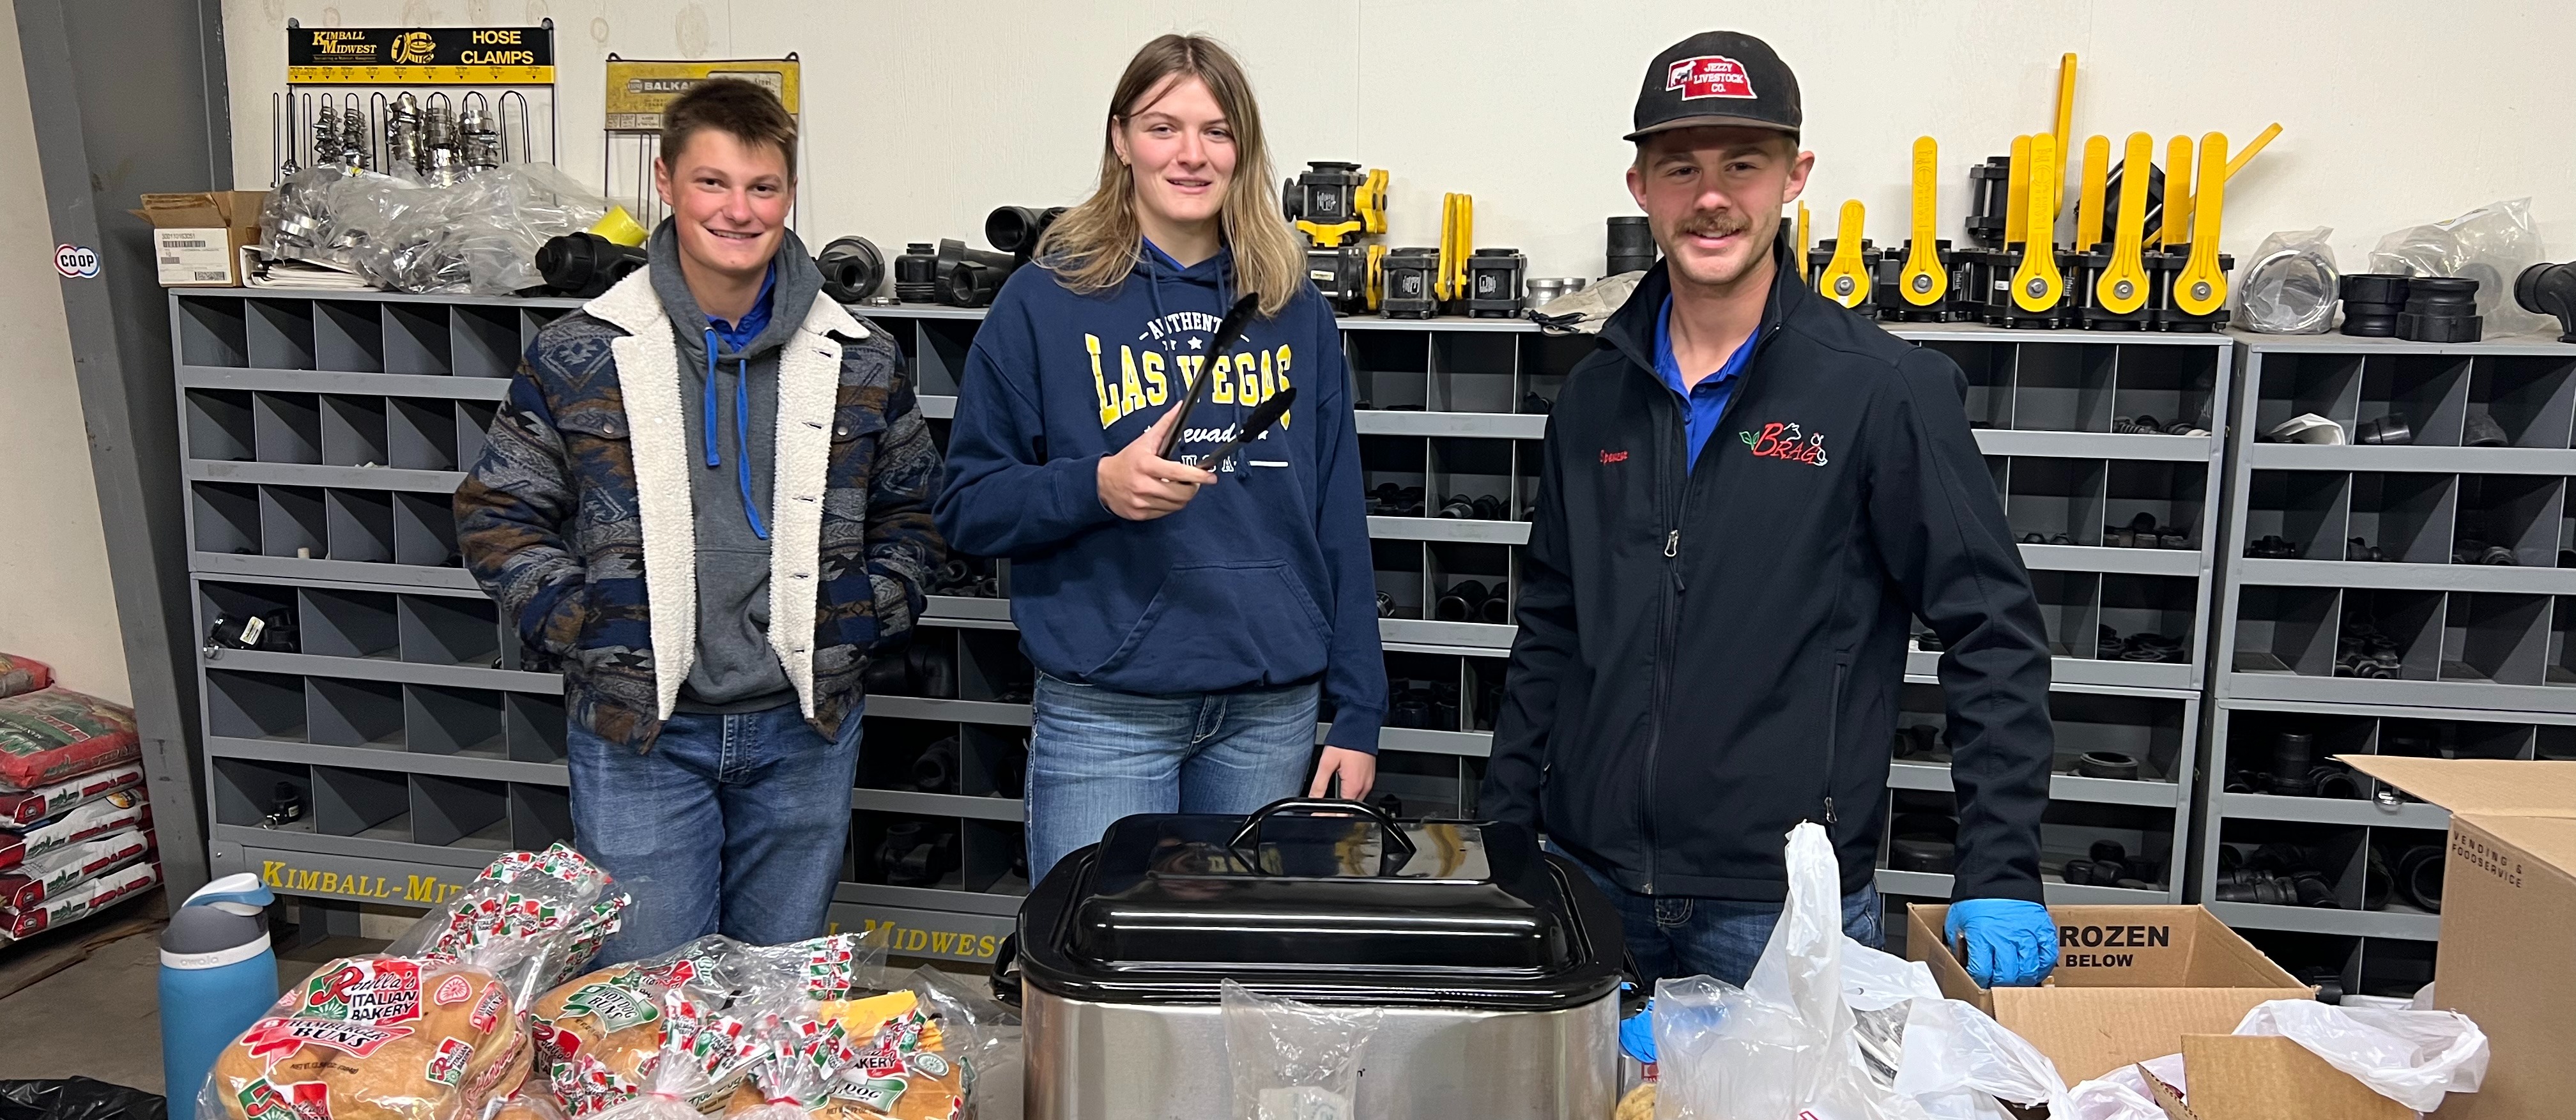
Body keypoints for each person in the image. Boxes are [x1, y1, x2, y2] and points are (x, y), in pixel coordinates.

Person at [1482, 31, 2060, 993]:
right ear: (1641, 187)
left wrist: (2000, 863)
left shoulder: (1883, 391)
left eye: (1742, 164)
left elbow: (1992, 629)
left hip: (1781, 905)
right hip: (1587, 885)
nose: (1711, 196)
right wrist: (1508, 835)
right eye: (1681, 167)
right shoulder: (1592, 399)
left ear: (1795, 174)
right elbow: (1550, 627)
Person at [456, 79, 944, 960]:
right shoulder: (582, 351)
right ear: (666, 182)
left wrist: (863, 614)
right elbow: (499, 512)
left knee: (777, 996)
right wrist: (592, 627)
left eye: (762, 187)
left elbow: (915, 511)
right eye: (712, 182)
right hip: (644, 733)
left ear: (790, 193)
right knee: (646, 1006)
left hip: (807, 728)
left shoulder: (862, 357)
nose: (739, 210)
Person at [935, 34, 1384, 885]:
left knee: (1233, 985)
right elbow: (967, 503)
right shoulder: (1045, 298)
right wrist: (1095, 485)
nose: (1190, 154)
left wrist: (1359, 711)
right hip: (1109, 713)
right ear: (1119, 139)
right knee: (1096, 983)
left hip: (1270, 708)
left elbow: (1338, 518)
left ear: (1243, 149)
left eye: (1216, 131)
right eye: (1163, 127)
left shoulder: (1294, 305)